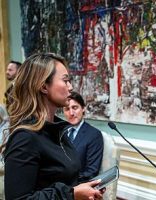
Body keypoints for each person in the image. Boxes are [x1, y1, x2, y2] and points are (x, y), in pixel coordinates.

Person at [1, 53, 104, 200]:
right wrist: (72, 194)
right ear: (43, 86)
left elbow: (68, 179)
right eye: (65, 80)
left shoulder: (57, 131)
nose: (71, 87)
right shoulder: (25, 138)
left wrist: (85, 188)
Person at [63, 91, 104, 183]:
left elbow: (91, 172)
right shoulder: (60, 132)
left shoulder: (94, 135)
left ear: (83, 108)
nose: (71, 113)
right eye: (67, 109)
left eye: (75, 108)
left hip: (76, 186)